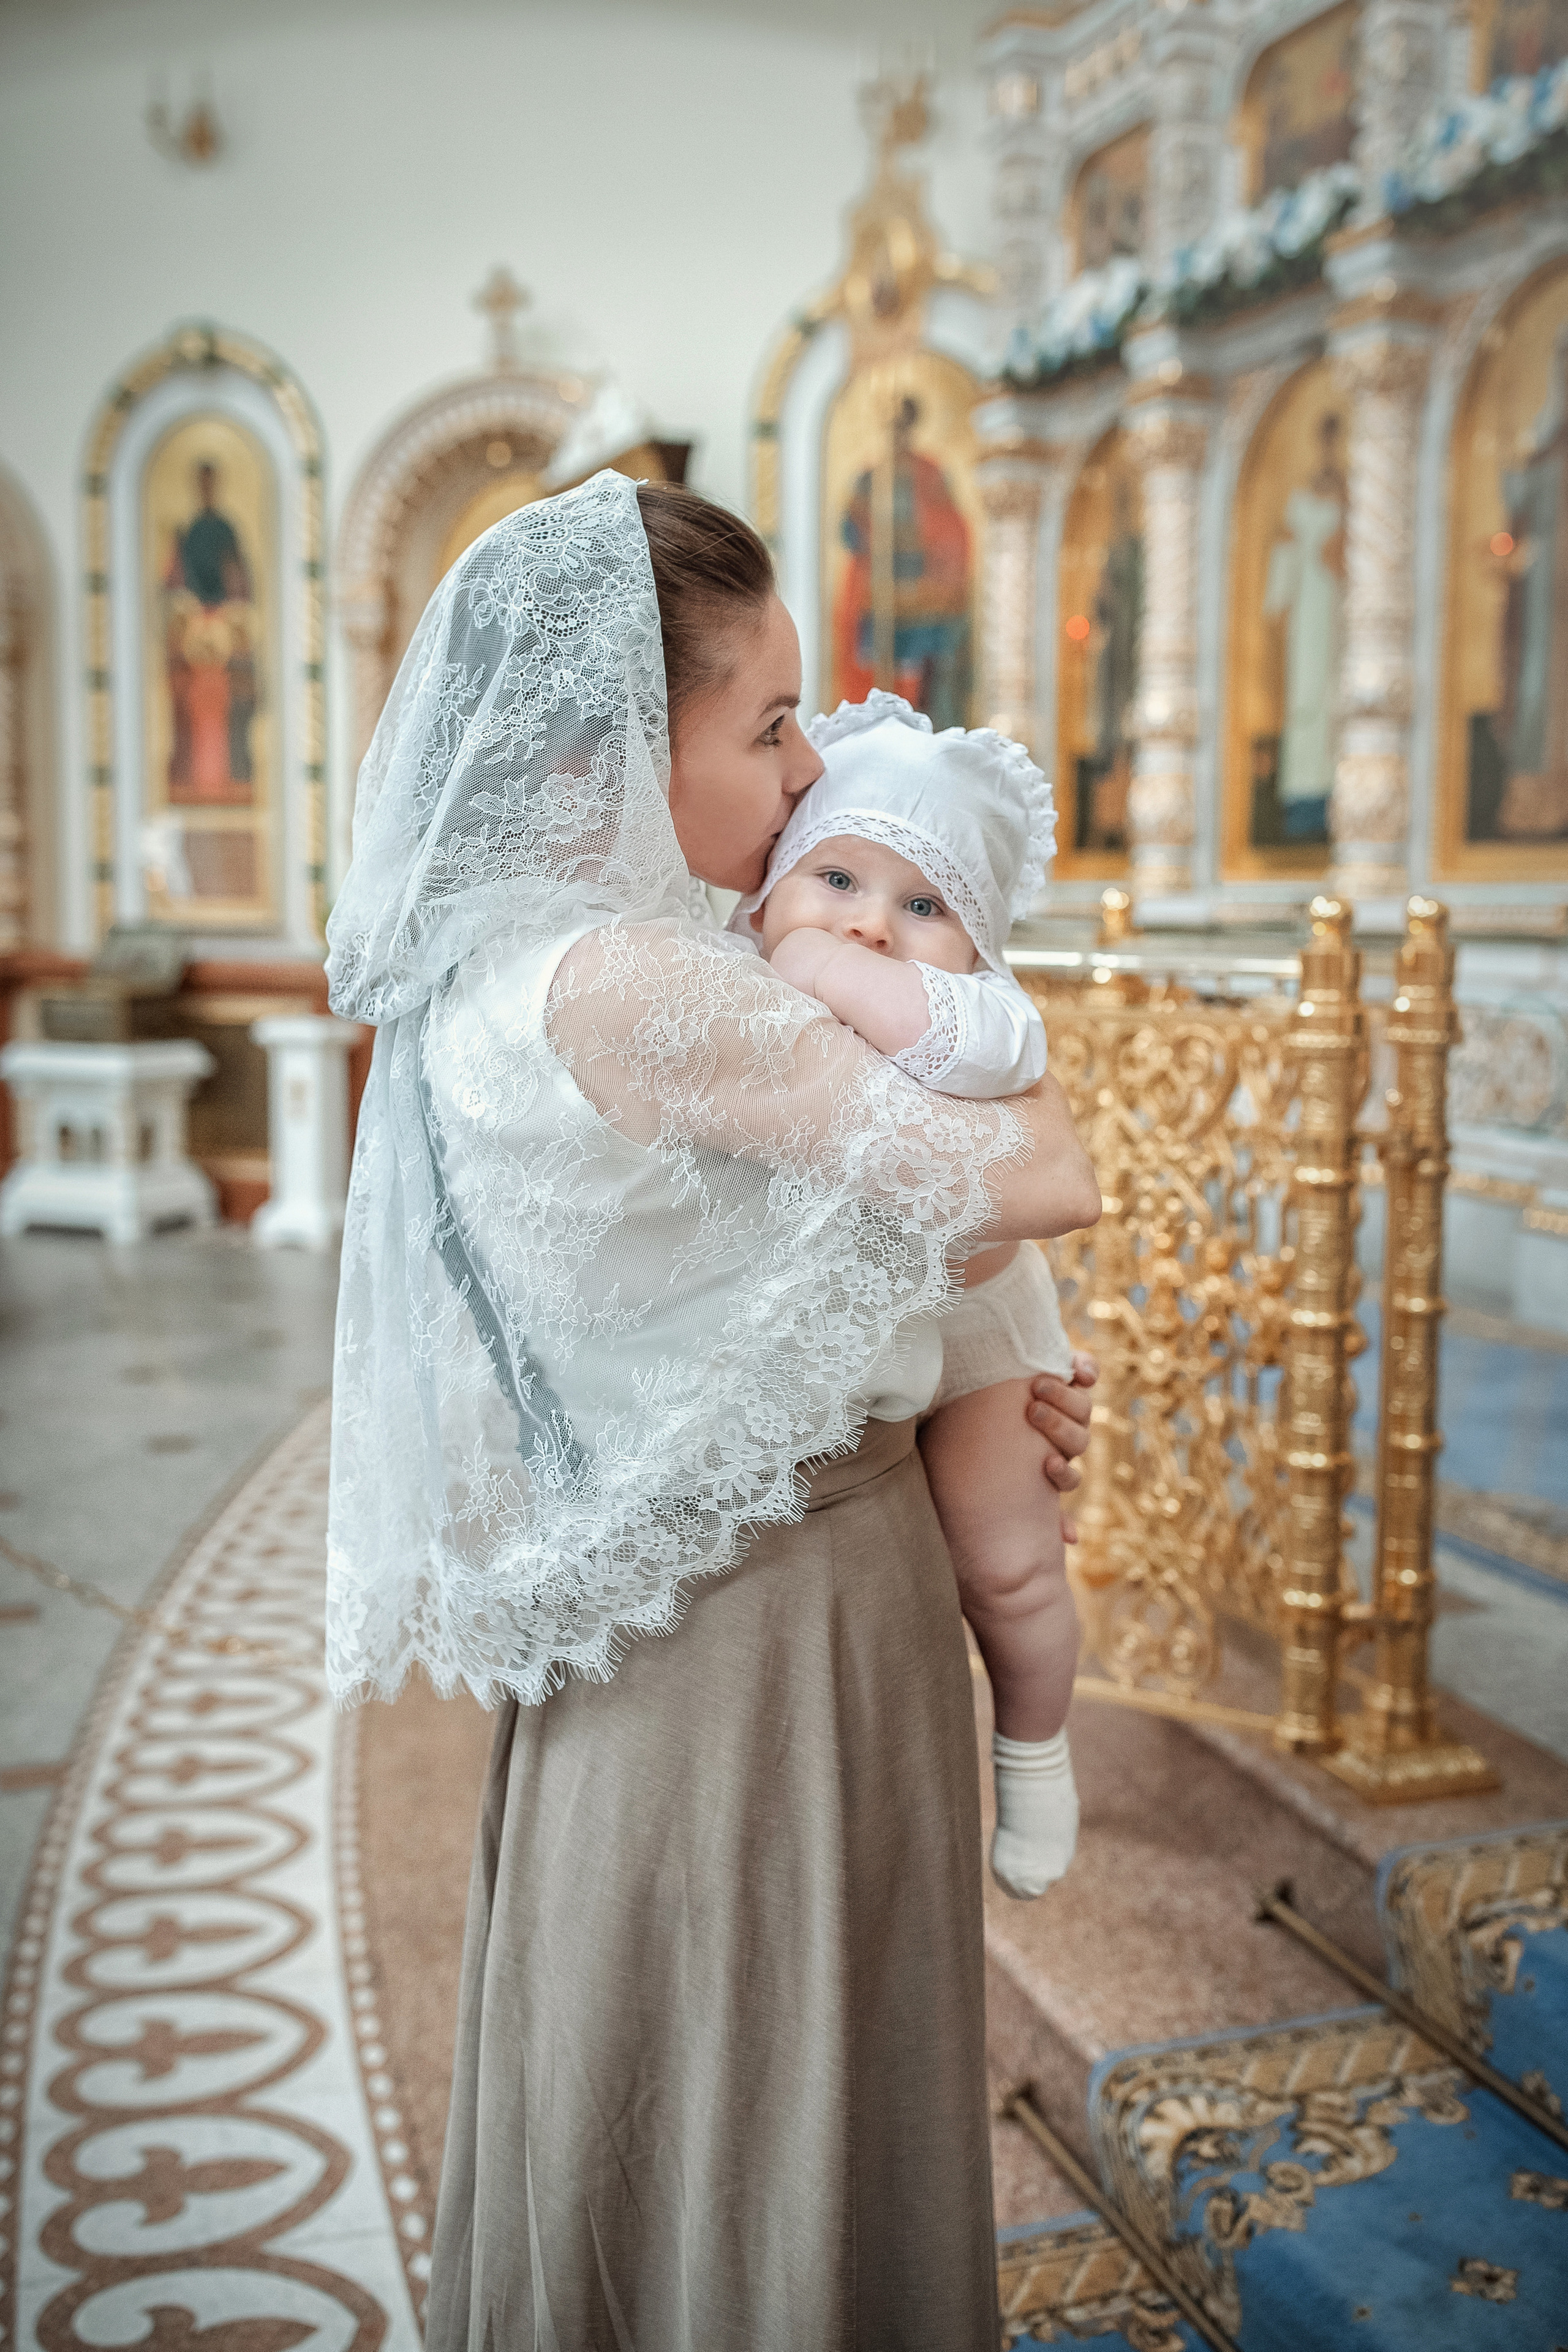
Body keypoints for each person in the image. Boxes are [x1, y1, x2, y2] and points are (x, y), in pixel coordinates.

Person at [325, 471, 1099, 2349]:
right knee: (768, 2136)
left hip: (664, 1635)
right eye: (764, 722)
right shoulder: (633, 983)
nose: (810, 757)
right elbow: (1038, 1169)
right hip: (774, 1643)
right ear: (609, 757)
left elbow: (749, 1266)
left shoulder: (490, 981)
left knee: (659, 2114)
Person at [733, 692, 1082, 1905]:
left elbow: (967, 1059)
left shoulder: (980, 1016)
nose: (874, 926)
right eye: (835, 877)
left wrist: (816, 953)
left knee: (1009, 1566)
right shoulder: (714, 981)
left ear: (977, 946)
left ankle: (1033, 1744)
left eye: (922, 906)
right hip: (850, 1348)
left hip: (979, 1323)